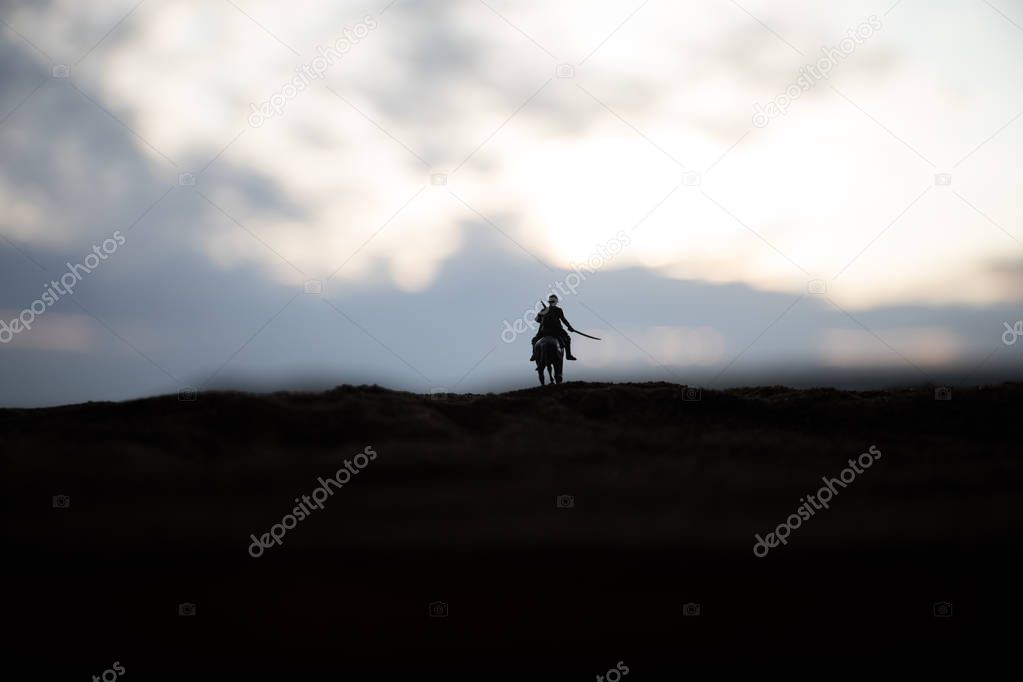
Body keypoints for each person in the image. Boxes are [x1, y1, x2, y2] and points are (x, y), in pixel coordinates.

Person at [529, 294, 577, 361]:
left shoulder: (544, 310)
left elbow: (537, 320)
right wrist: (570, 327)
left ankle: (534, 355)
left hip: (544, 331)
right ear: (556, 302)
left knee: (534, 340)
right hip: (556, 330)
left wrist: (542, 318)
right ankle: (568, 355)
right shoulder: (558, 310)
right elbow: (563, 320)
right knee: (567, 339)